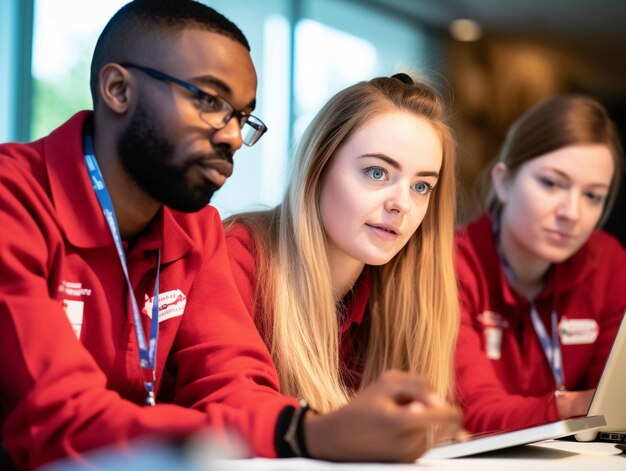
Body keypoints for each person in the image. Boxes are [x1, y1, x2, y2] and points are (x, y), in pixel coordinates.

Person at [0, 2, 460, 469]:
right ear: (118, 89)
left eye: (241, 116)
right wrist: (305, 433)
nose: (234, 137)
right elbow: (55, 417)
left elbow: (233, 384)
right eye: (210, 102)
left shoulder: (194, 229)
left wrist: (308, 429)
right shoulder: (11, 202)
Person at [225, 73, 462, 447]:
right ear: (318, 168)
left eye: (421, 186)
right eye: (377, 172)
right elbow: (229, 414)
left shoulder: (402, 290)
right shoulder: (238, 258)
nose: (402, 204)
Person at [454, 95, 626, 433]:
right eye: (551, 183)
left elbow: (614, 403)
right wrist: (580, 405)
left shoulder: (610, 265)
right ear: (504, 182)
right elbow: (471, 414)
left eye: (592, 195)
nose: (571, 214)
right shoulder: (448, 264)